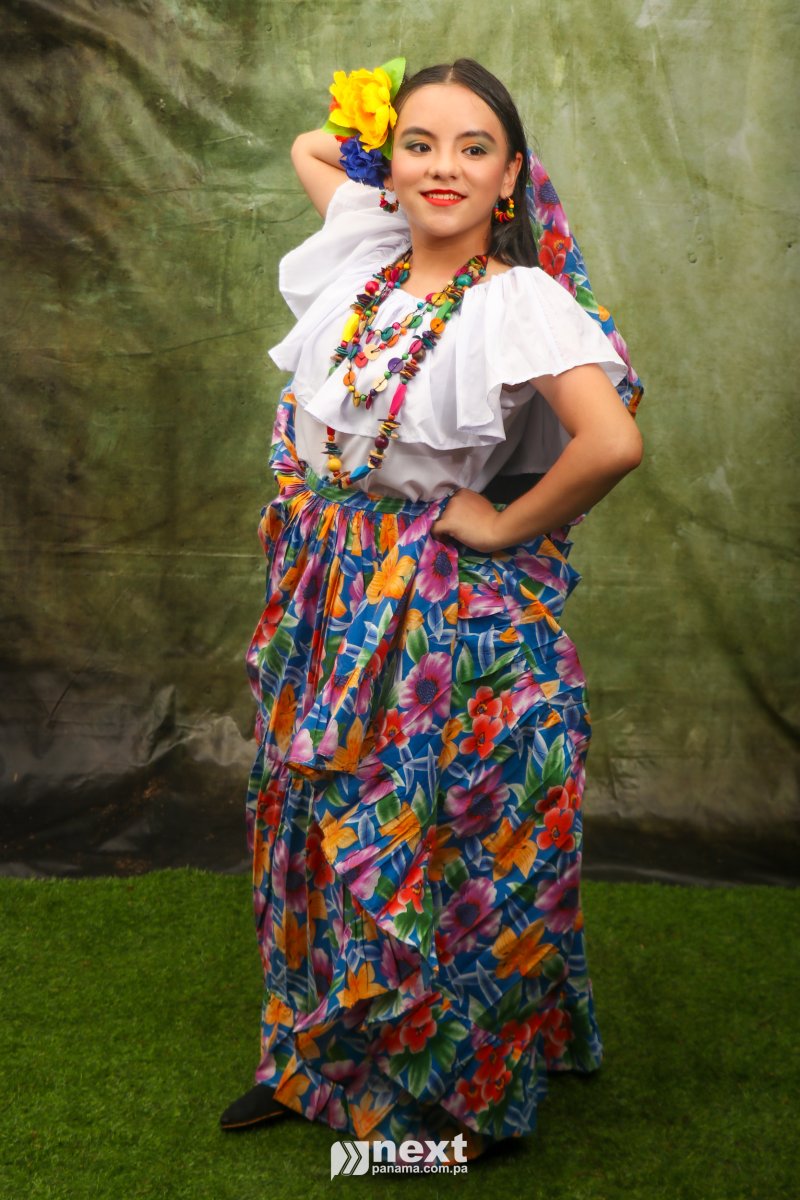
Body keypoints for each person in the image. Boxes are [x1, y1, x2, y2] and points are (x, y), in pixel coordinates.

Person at [220, 57, 643, 1164]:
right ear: (390, 165)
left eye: (472, 149)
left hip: (434, 616)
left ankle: (450, 1104)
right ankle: (314, 1059)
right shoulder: (365, 255)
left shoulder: (517, 299)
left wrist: (500, 527)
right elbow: (313, 151)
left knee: (437, 842)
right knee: (312, 821)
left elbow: (610, 441)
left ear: (512, 177)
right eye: (419, 145)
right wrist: (376, 140)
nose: (441, 168)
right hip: (325, 593)